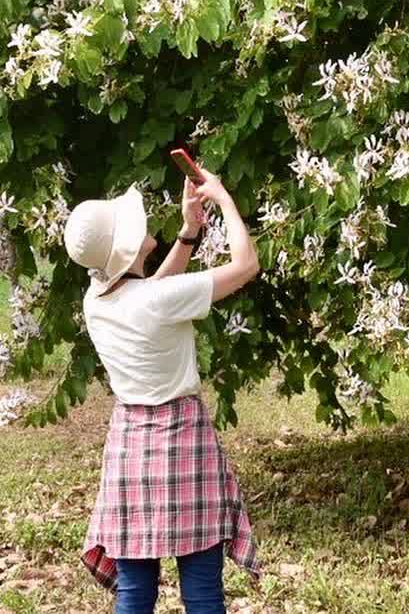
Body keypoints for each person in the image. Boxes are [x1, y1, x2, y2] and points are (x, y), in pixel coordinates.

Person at [63, 164, 263, 614]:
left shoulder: (96, 300)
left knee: (135, 591)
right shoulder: (155, 301)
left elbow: (149, 292)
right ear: (129, 245)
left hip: (131, 447)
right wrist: (224, 198)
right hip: (184, 441)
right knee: (202, 589)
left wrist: (189, 233)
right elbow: (246, 265)